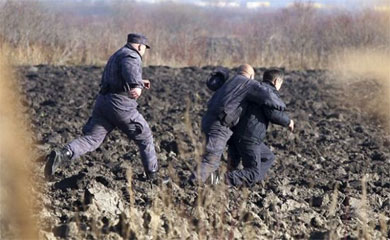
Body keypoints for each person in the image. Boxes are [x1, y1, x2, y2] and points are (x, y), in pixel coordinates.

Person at [44, 33, 159, 180]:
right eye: (144, 48)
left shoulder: (117, 54)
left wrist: (140, 81)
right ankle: (152, 175)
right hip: (121, 106)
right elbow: (131, 74)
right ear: (140, 46)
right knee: (145, 137)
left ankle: (63, 154)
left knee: (92, 139)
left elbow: (118, 76)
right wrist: (137, 86)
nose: (144, 51)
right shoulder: (132, 56)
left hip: (103, 102)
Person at [194, 64, 286, 184]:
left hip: (215, 124)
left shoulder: (230, 83)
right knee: (211, 159)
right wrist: (284, 109)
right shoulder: (248, 84)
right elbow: (268, 97)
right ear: (251, 76)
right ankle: (196, 183)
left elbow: (212, 85)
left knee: (230, 162)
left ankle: (220, 182)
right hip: (221, 126)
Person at [226, 69, 294, 187]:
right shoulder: (268, 93)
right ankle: (214, 180)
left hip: (237, 134)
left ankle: (248, 183)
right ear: (277, 81)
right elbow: (273, 114)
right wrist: (288, 122)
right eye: (281, 84)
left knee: (267, 157)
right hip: (249, 137)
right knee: (252, 172)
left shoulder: (256, 89)